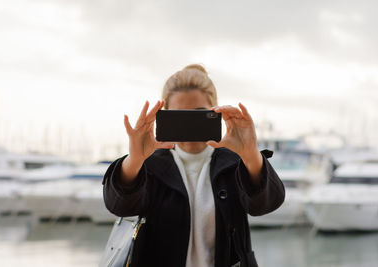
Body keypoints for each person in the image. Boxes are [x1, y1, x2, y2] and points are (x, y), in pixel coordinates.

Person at [102, 64, 285, 267]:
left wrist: (250, 153)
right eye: (179, 116)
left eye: (198, 114)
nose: (189, 125)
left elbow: (266, 204)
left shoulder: (234, 163)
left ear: (216, 111)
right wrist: (135, 159)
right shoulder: (150, 166)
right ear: (165, 116)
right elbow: (118, 204)